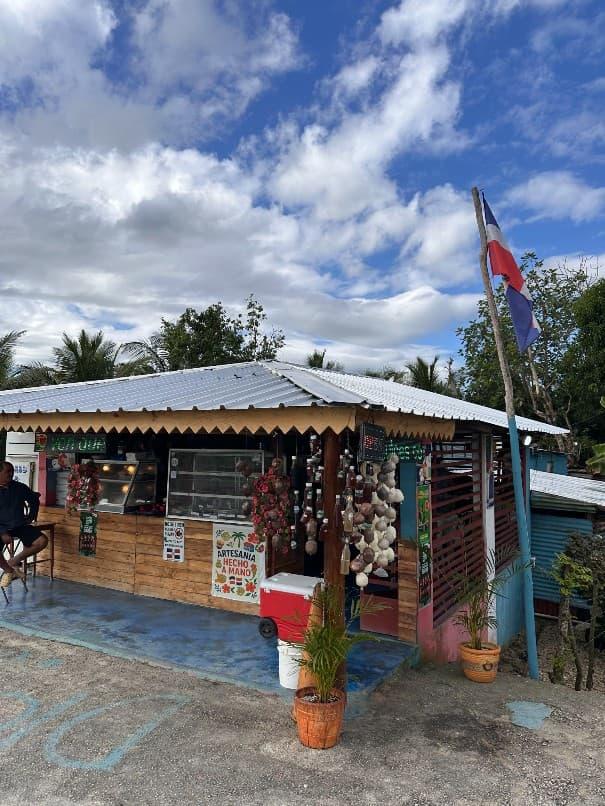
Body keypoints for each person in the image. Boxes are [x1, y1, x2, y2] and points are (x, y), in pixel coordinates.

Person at [0, 461, 47, 587]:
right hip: (2, 527)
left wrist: (31, 516)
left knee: (42, 541)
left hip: (19, 525)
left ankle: (13, 561)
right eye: (8, 471)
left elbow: (34, 500)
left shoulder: (19, 487)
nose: (11, 474)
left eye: (12, 471)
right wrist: (2, 532)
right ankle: (9, 571)